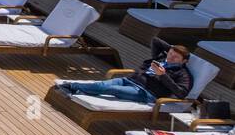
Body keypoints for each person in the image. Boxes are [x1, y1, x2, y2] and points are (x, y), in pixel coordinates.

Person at [56, 39, 193, 105]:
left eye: (175, 57)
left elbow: (181, 93)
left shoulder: (183, 74)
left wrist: (163, 76)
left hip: (146, 93)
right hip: (130, 80)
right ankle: (71, 87)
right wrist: (174, 49)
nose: (170, 57)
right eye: (170, 53)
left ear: (184, 61)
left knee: (112, 90)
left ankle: (71, 87)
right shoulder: (161, 58)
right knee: (102, 85)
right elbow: (156, 41)